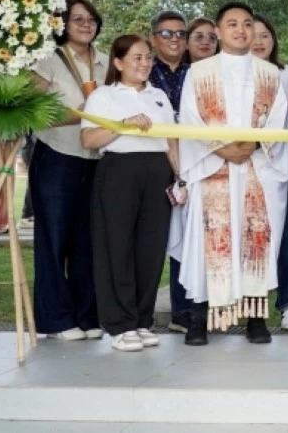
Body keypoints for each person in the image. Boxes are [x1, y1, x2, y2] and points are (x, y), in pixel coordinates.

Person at [174, 3, 288, 347]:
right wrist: (222, 149)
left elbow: (279, 121)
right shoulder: (199, 72)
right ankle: (199, 317)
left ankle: (255, 318)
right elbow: (190, 120)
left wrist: (253, 143)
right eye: (232, 24)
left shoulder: (269, 74)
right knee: (207, 244)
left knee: (254, 242)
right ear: (220, 31)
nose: (241, 30)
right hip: (212, 169)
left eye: (247, 24)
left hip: (257, 169)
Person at [81, 35, 178, 352]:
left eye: (148, 57)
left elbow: (171, 142)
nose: (145, 63)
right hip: (119, 172)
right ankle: (119, 324)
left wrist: (181, 178)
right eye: (136, 57)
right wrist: (123, 125)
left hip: (157, 173)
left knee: (150, 249)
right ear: (118, 62)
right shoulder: (104, 96)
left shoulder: (160, 96)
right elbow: (89, 140)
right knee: (116, 248)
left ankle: (141, 320)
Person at [31, 0, 108, 341]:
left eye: (91, 19)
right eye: (77, 19)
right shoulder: (47, 59)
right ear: (62, 23)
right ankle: (56, 320)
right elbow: (36, 113)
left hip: (96, 160)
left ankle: (86, 316)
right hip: (57, 157)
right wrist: (87, 114)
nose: (85, 24)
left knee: (87, 241)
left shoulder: (106, 61)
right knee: (54, 240)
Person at [251, 14, 288, 331]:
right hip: (247, 166)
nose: (259, 41)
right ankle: (252, 309)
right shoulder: (237, 77)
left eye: (265, 36)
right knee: (253, 238)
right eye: (253, 35)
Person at [148, 10, 195, 334]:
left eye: (180, 33)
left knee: (187, 237)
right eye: (167, 33)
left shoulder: (197, 73)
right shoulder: (143, 71)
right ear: (154, 38)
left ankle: (184, 312)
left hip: (190, 162)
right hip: (150, 163)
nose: (175, 39)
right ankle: (140, 314)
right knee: (148, 240)